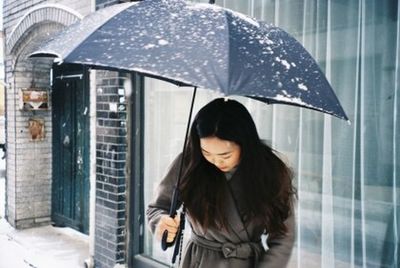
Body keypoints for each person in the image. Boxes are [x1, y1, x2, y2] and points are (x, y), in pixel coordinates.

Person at [147, 98, 296, 267]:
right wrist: (163, 222)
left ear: (245, 144)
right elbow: (157, 208)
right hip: (200, 261)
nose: (216, 161)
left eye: (225, 155)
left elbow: (283, 235)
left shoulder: (270, 171)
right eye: (207, 153)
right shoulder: (189, 163)